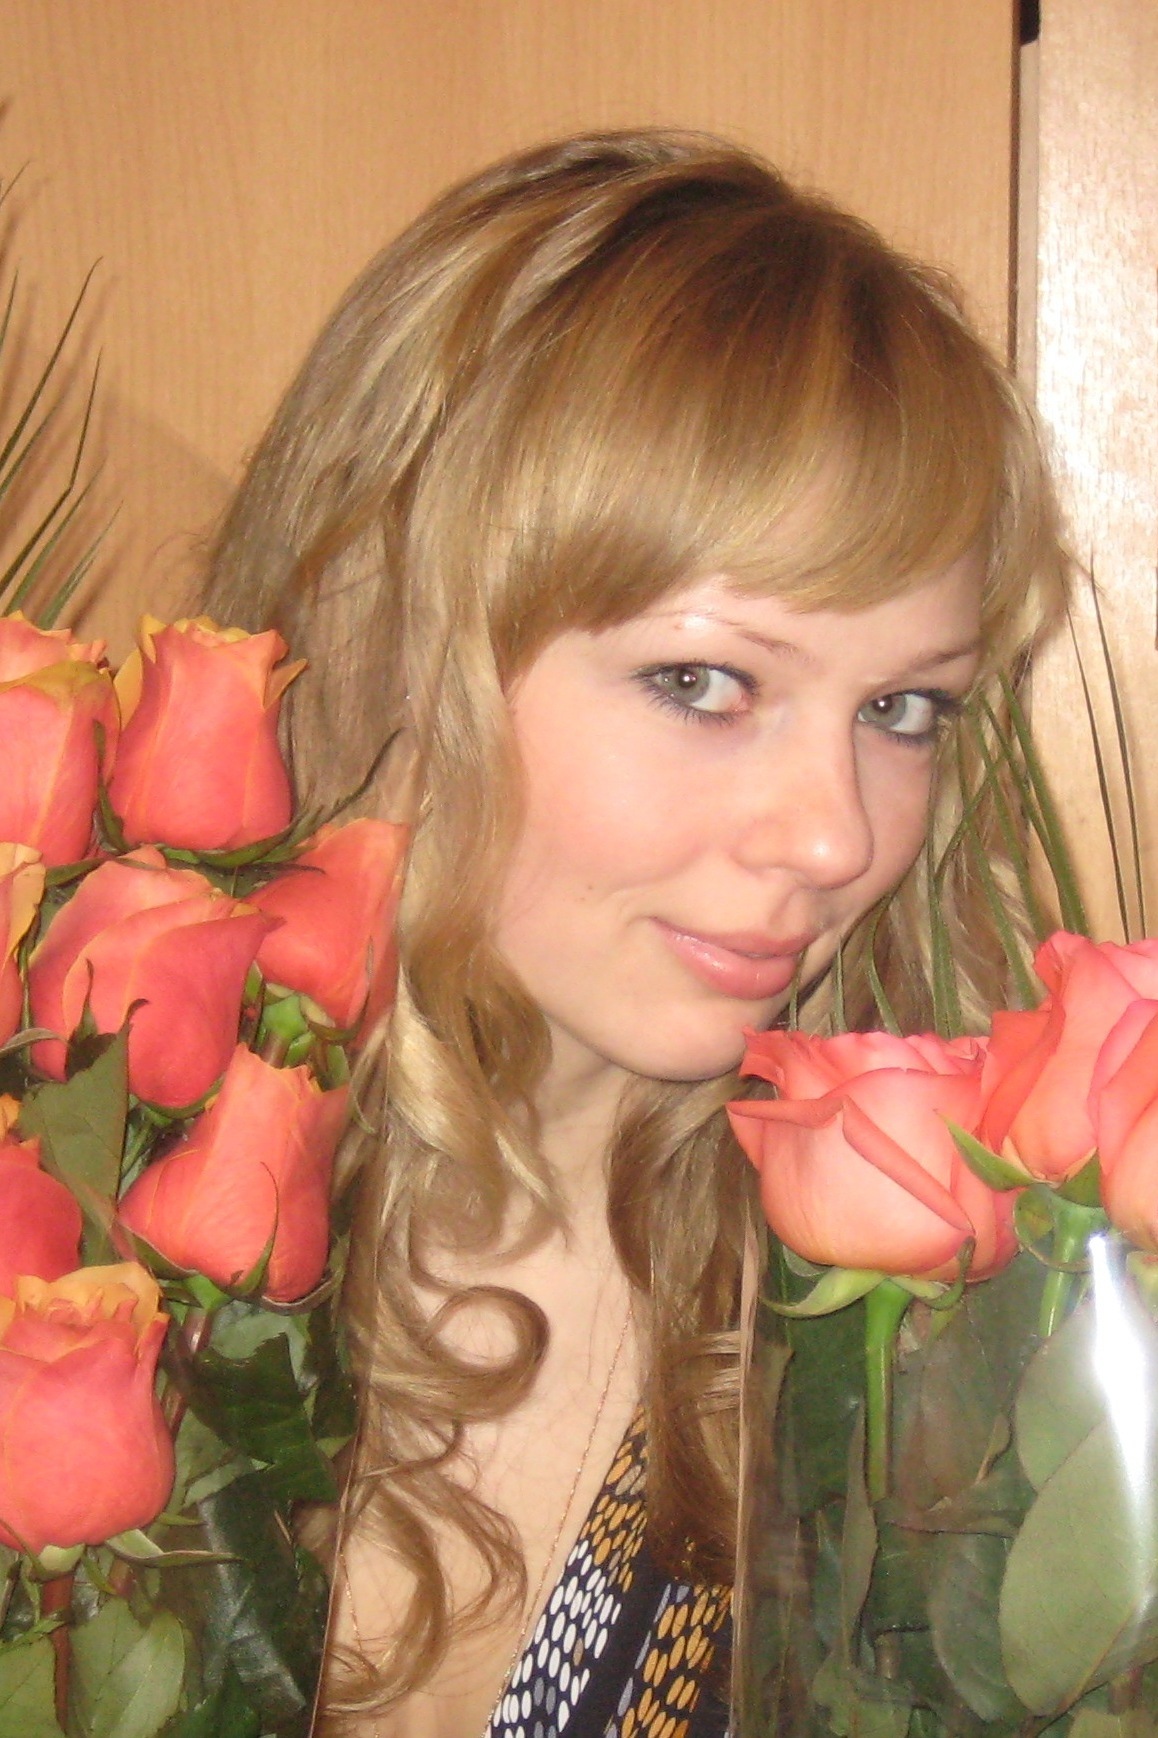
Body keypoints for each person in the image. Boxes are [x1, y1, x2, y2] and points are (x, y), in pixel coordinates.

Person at [202, 130, 1068, 1737]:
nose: (836, 836)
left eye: (901, 708)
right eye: (702, 681)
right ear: (396, 641)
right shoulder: (89, 1272)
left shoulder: (912, 1376)